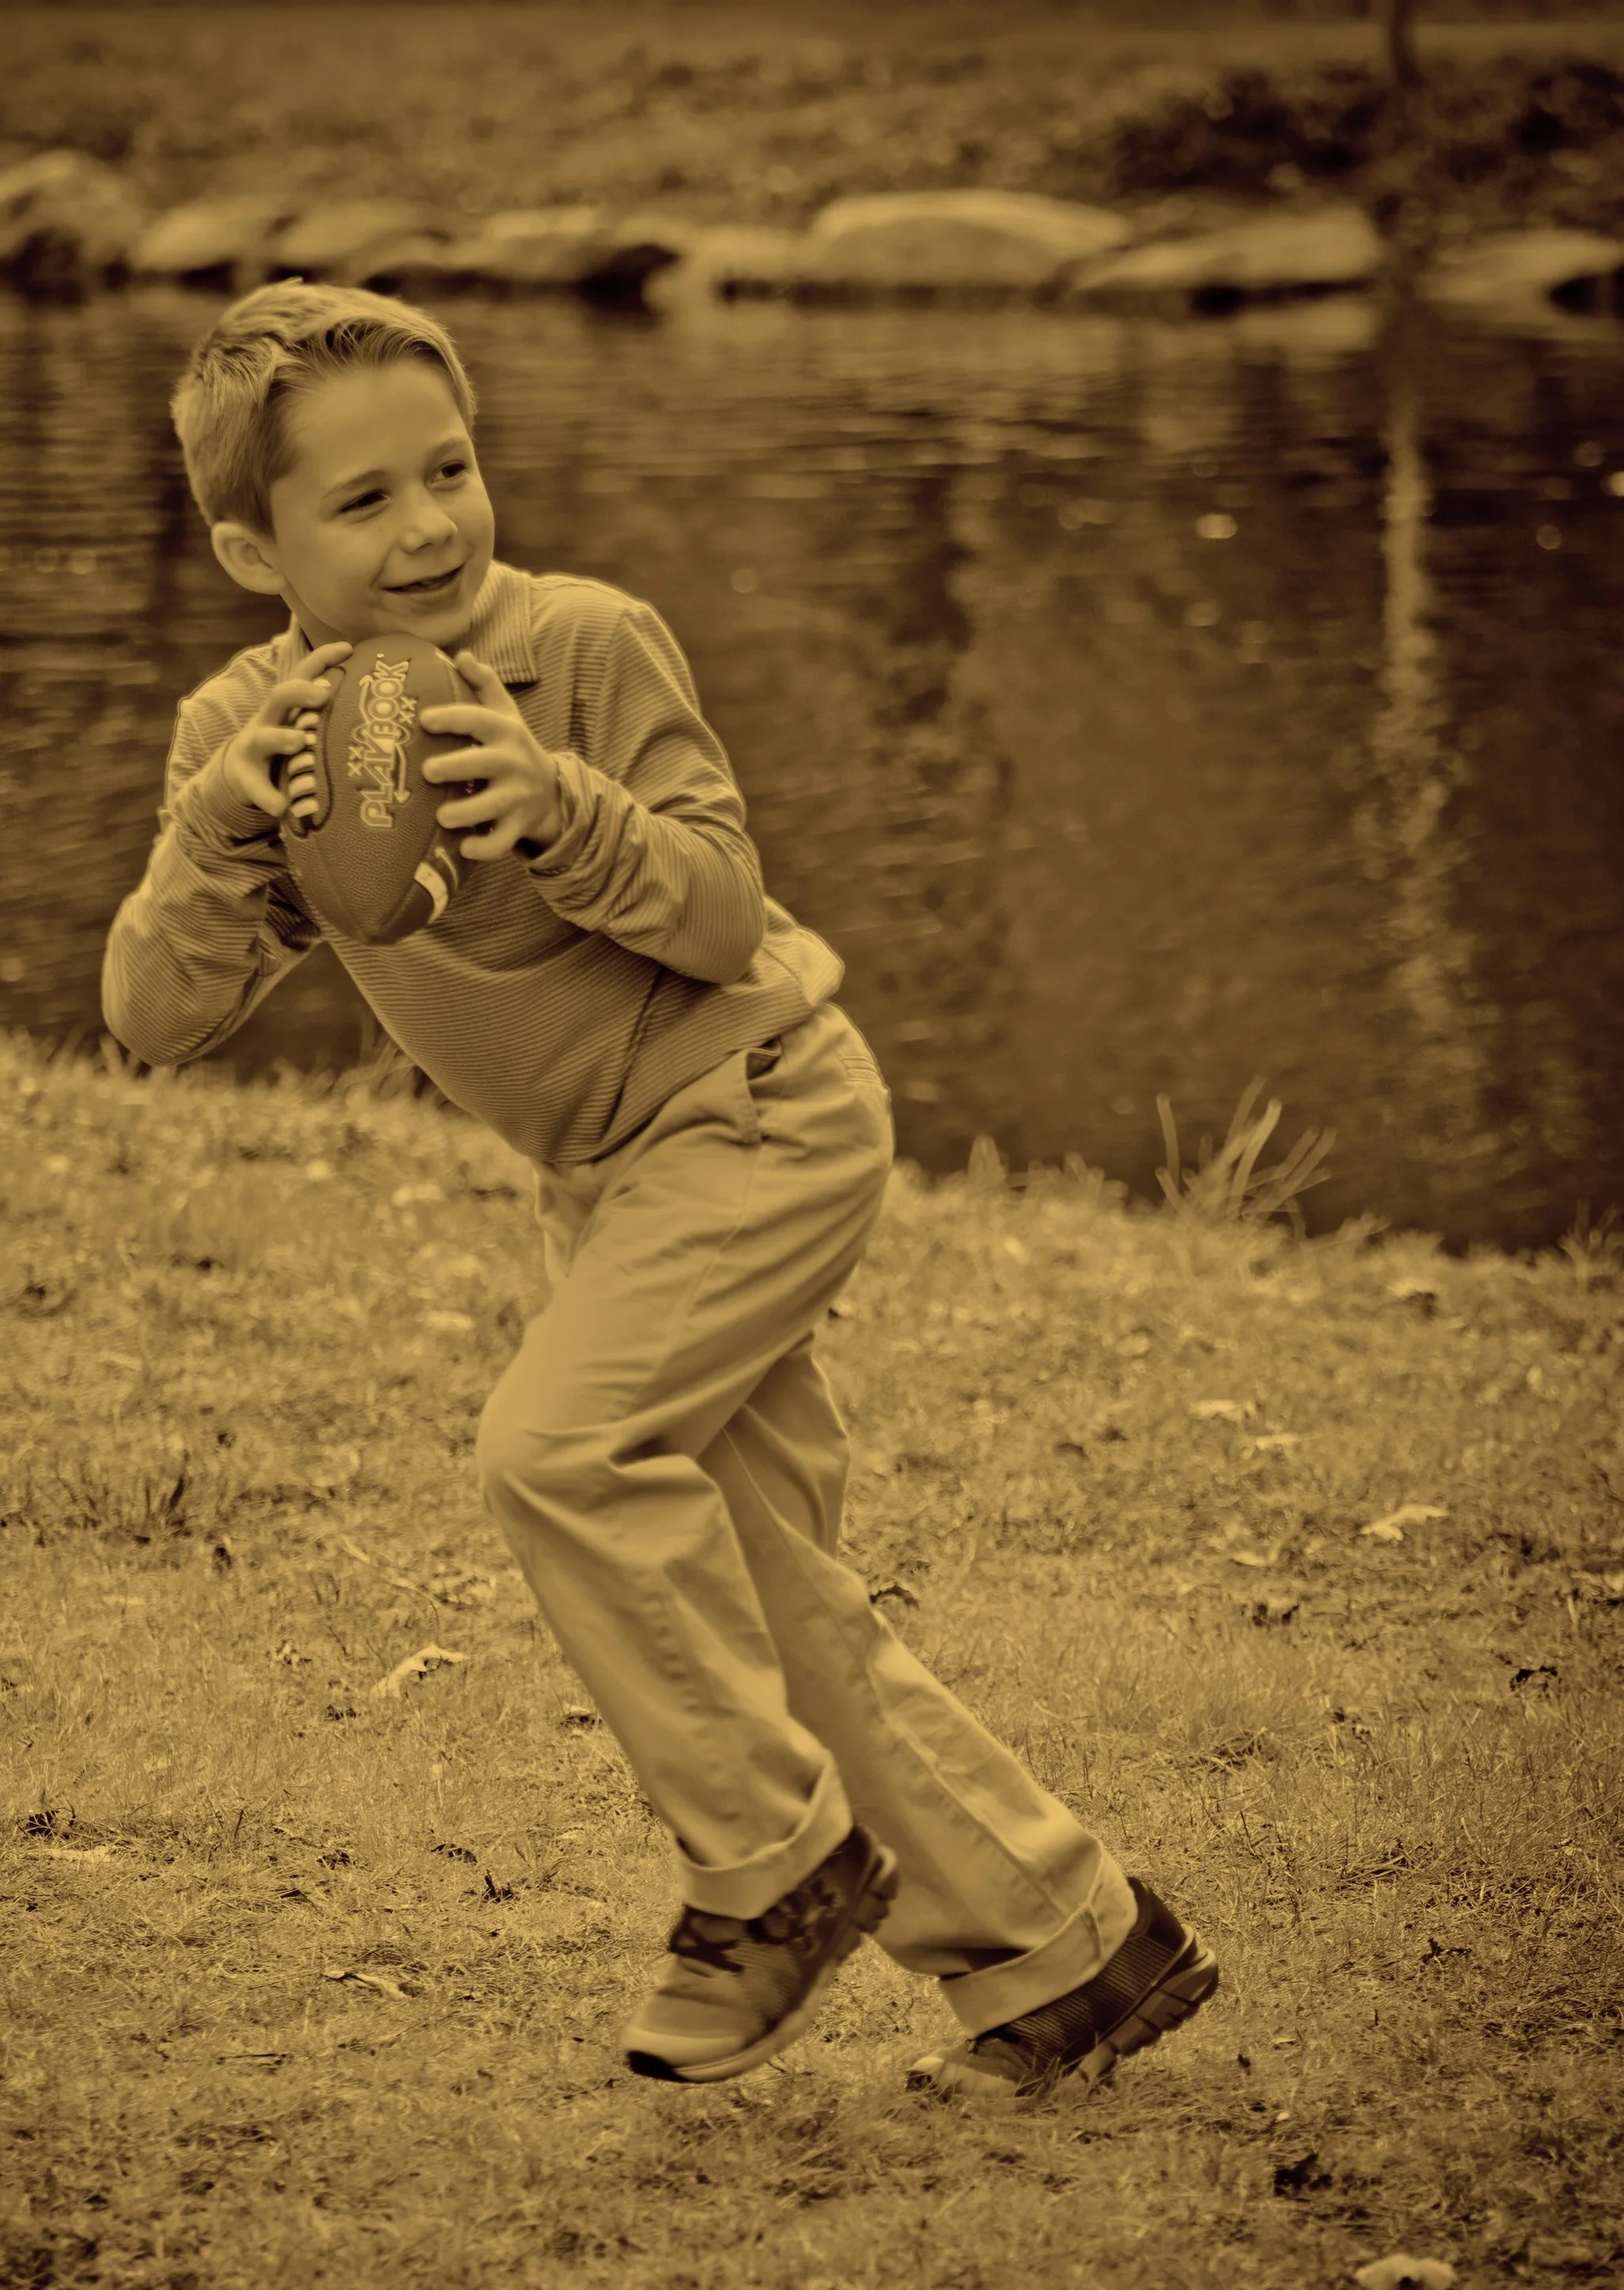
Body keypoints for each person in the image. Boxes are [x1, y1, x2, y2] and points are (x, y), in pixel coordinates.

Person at [101, 281, 1219, 2102]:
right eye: (362, 500)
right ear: (251, 544)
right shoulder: (250, 733)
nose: (431, 524)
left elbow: (716, 910)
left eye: (448, 471)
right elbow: (151, 1018)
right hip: (610, 1177)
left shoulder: (585, 646)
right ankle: (1064, 1947)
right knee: (771, 1588)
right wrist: (218, 830)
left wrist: (553, 807)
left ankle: (768, 1870)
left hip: (761, 1106)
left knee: (554, 1448)